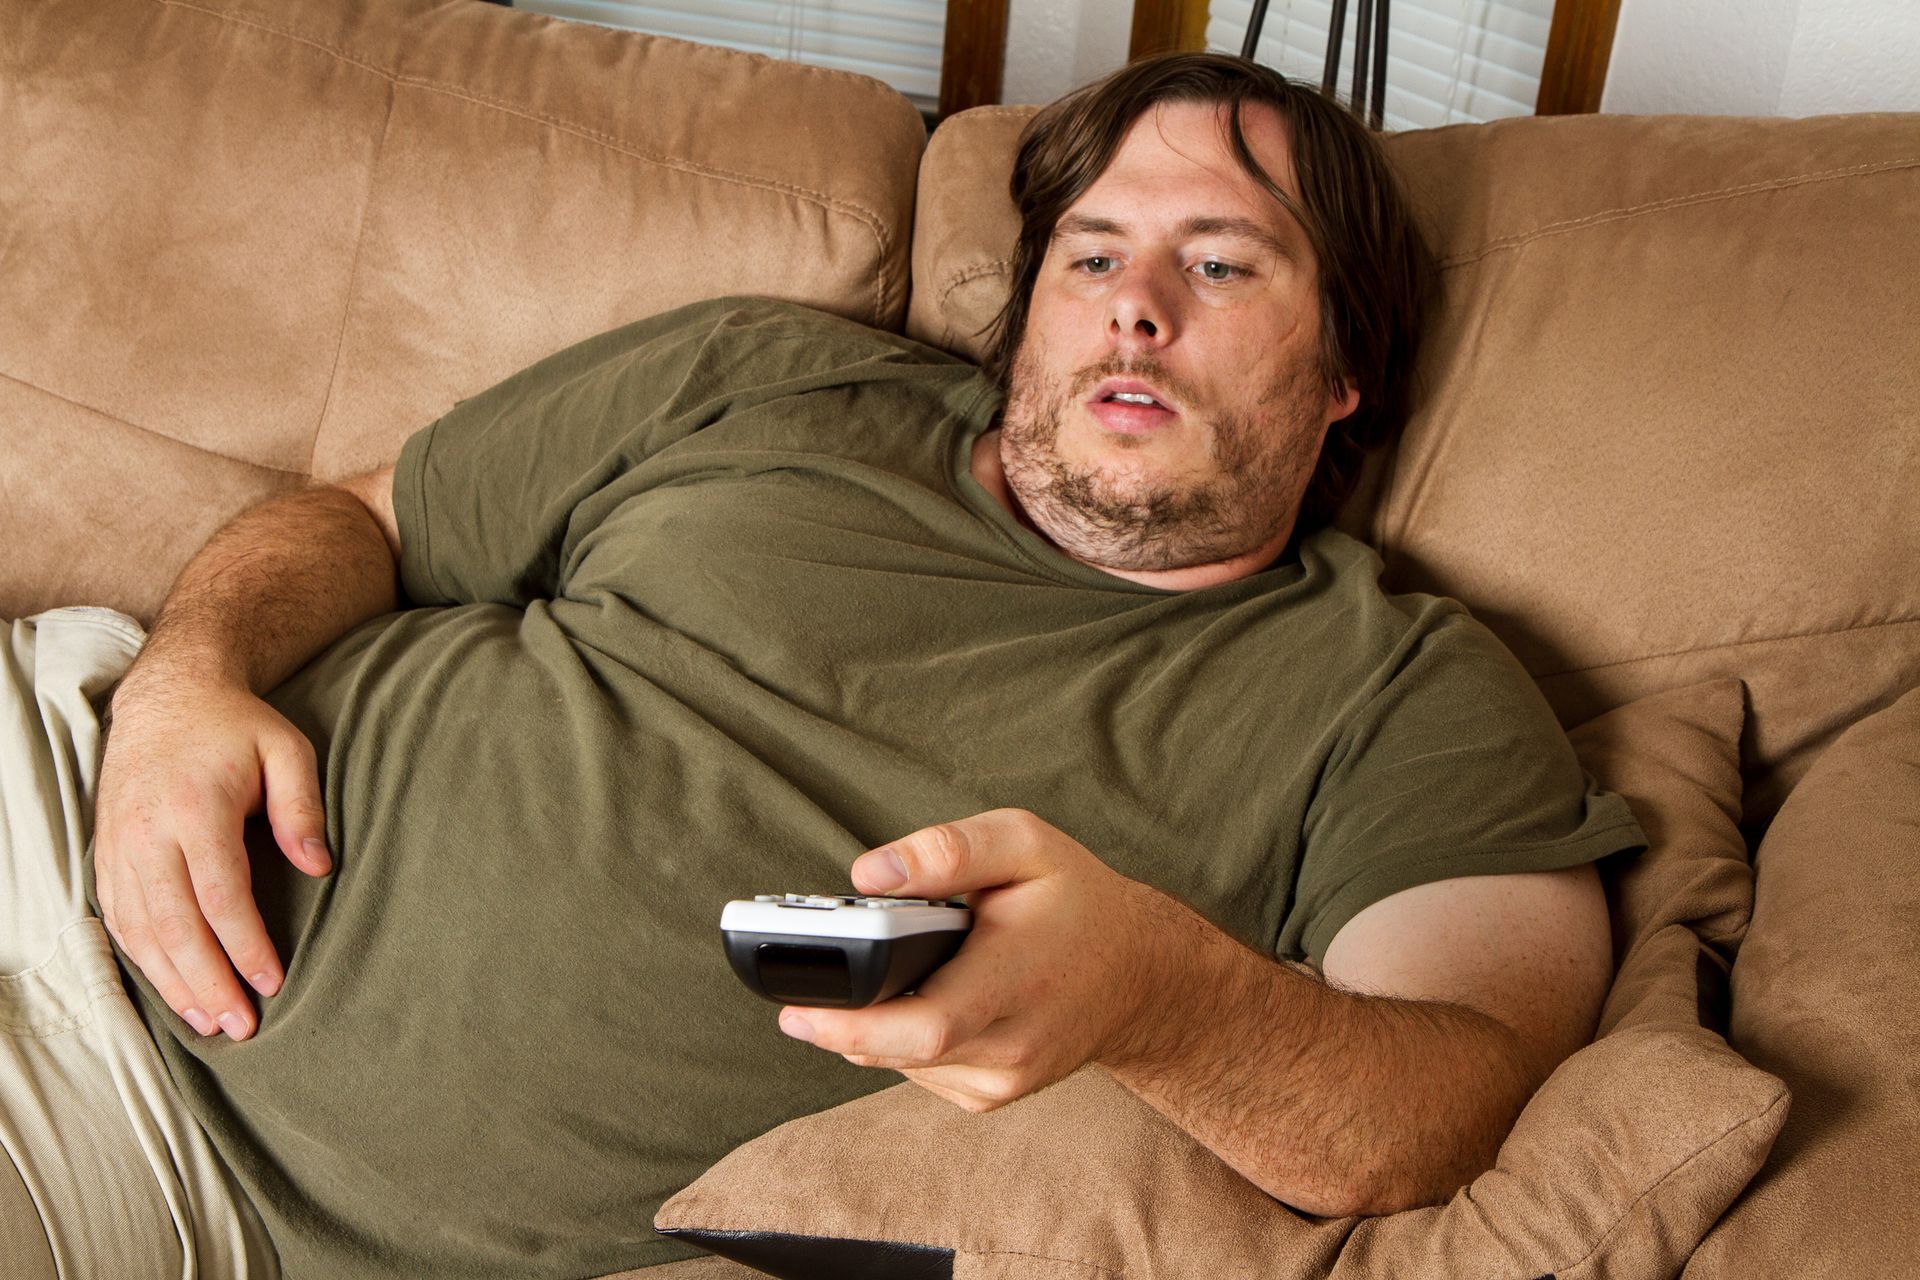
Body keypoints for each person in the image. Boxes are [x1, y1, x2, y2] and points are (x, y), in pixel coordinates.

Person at [6, 51, 1642, 1279]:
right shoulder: (773, 375)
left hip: (180, 1147)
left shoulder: (1393, 687)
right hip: (63, 776)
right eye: (1091, 255)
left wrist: (1161, 992)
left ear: (1347, 363)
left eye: (1220, 263)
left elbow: (1467, 1093)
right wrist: (184, 682)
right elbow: (358, 518)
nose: (1134, 308)